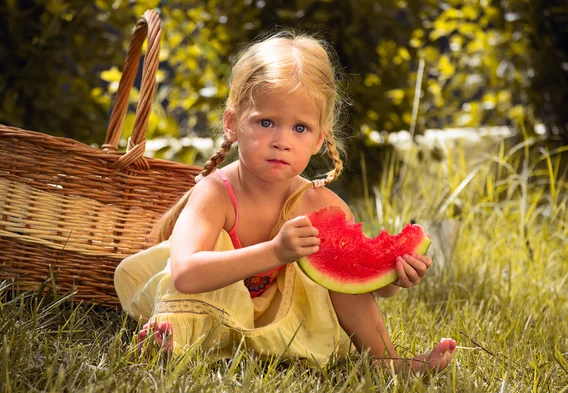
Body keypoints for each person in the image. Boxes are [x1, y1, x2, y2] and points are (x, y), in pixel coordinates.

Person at [114, 31, 456, 374]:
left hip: (286, 318)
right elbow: (186, 275)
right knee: (193, 284)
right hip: (209, 305)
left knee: (335, 260)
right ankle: (171, 343)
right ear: (232, 124)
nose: (282, 141)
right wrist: (275, 252)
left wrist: (394, 278)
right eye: (266, 122)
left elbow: (359, 288)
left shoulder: (321, 205)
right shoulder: (215, 193)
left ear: (320, 138)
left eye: (300, 128)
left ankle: (389, 363)